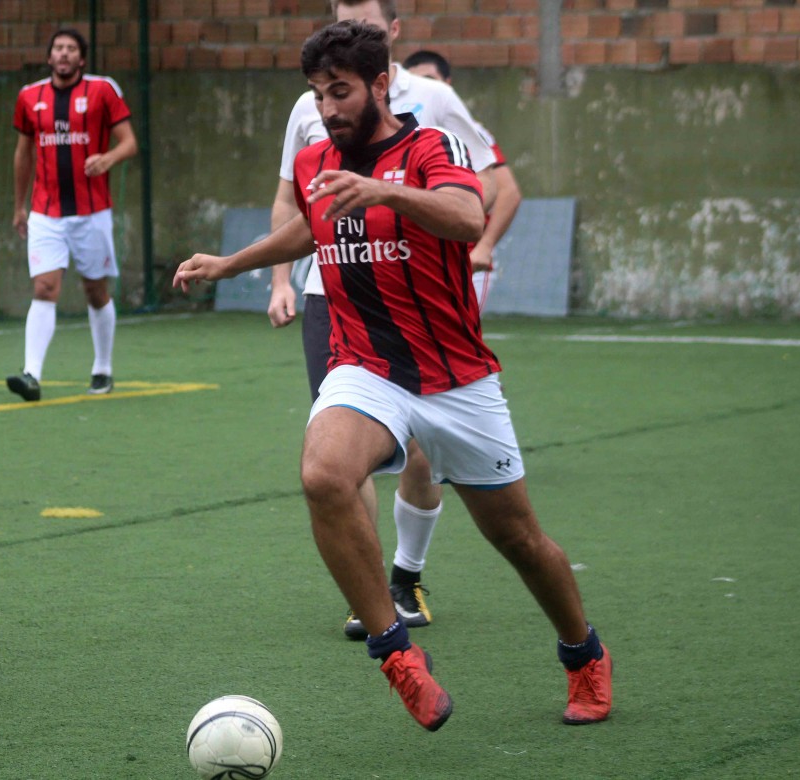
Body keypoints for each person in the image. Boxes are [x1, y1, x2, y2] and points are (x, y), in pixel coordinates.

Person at [175, 21, 612, 730]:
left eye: (340, 91)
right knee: (323, 474)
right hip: (367, 367)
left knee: (520, 541)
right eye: (318, 94)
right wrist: (232, 263)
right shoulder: (322, 157)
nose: (328, 108)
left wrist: (385, 193)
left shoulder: (430, 147)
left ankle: (584, 653)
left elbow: (469, 217)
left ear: (380, 84)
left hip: (456, 377)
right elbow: (313, 226)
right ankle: (397, 653)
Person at [267, 0, 501, 641]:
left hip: (422, 302)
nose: (327, 102)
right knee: (339, 457)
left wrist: (476, 244)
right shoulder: (309, 107)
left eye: (367, 23)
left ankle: (408, 572)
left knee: (424, 452)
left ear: (390, 37)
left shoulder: (433, 100)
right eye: (344, 17)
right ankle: (371, 596)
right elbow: (294, 199)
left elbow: (492, 182)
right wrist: (276, 278)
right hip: (333, 294)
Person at [7, 28, 137, 400]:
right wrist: (19, 206)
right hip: (45, 212)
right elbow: (23, 154)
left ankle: (103, 368)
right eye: (58, 49)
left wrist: (107, 158)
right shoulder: (30, 97)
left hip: (91, 213)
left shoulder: (102, 91)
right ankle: (31, 374)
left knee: (95, 290)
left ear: (82, 59)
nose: (63, 55)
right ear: (49, 57)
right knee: (45, 287)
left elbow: (129, 143)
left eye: (71, 50)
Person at [402, 49, 523, 311]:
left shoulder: (471, 132)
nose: (424, 89)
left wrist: (484, 246)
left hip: (463, 260)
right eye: (417, 82)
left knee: (452, 347)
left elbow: (508, 192)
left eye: (430, 80)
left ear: (447, 84)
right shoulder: (403, 137)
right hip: (413, 260)